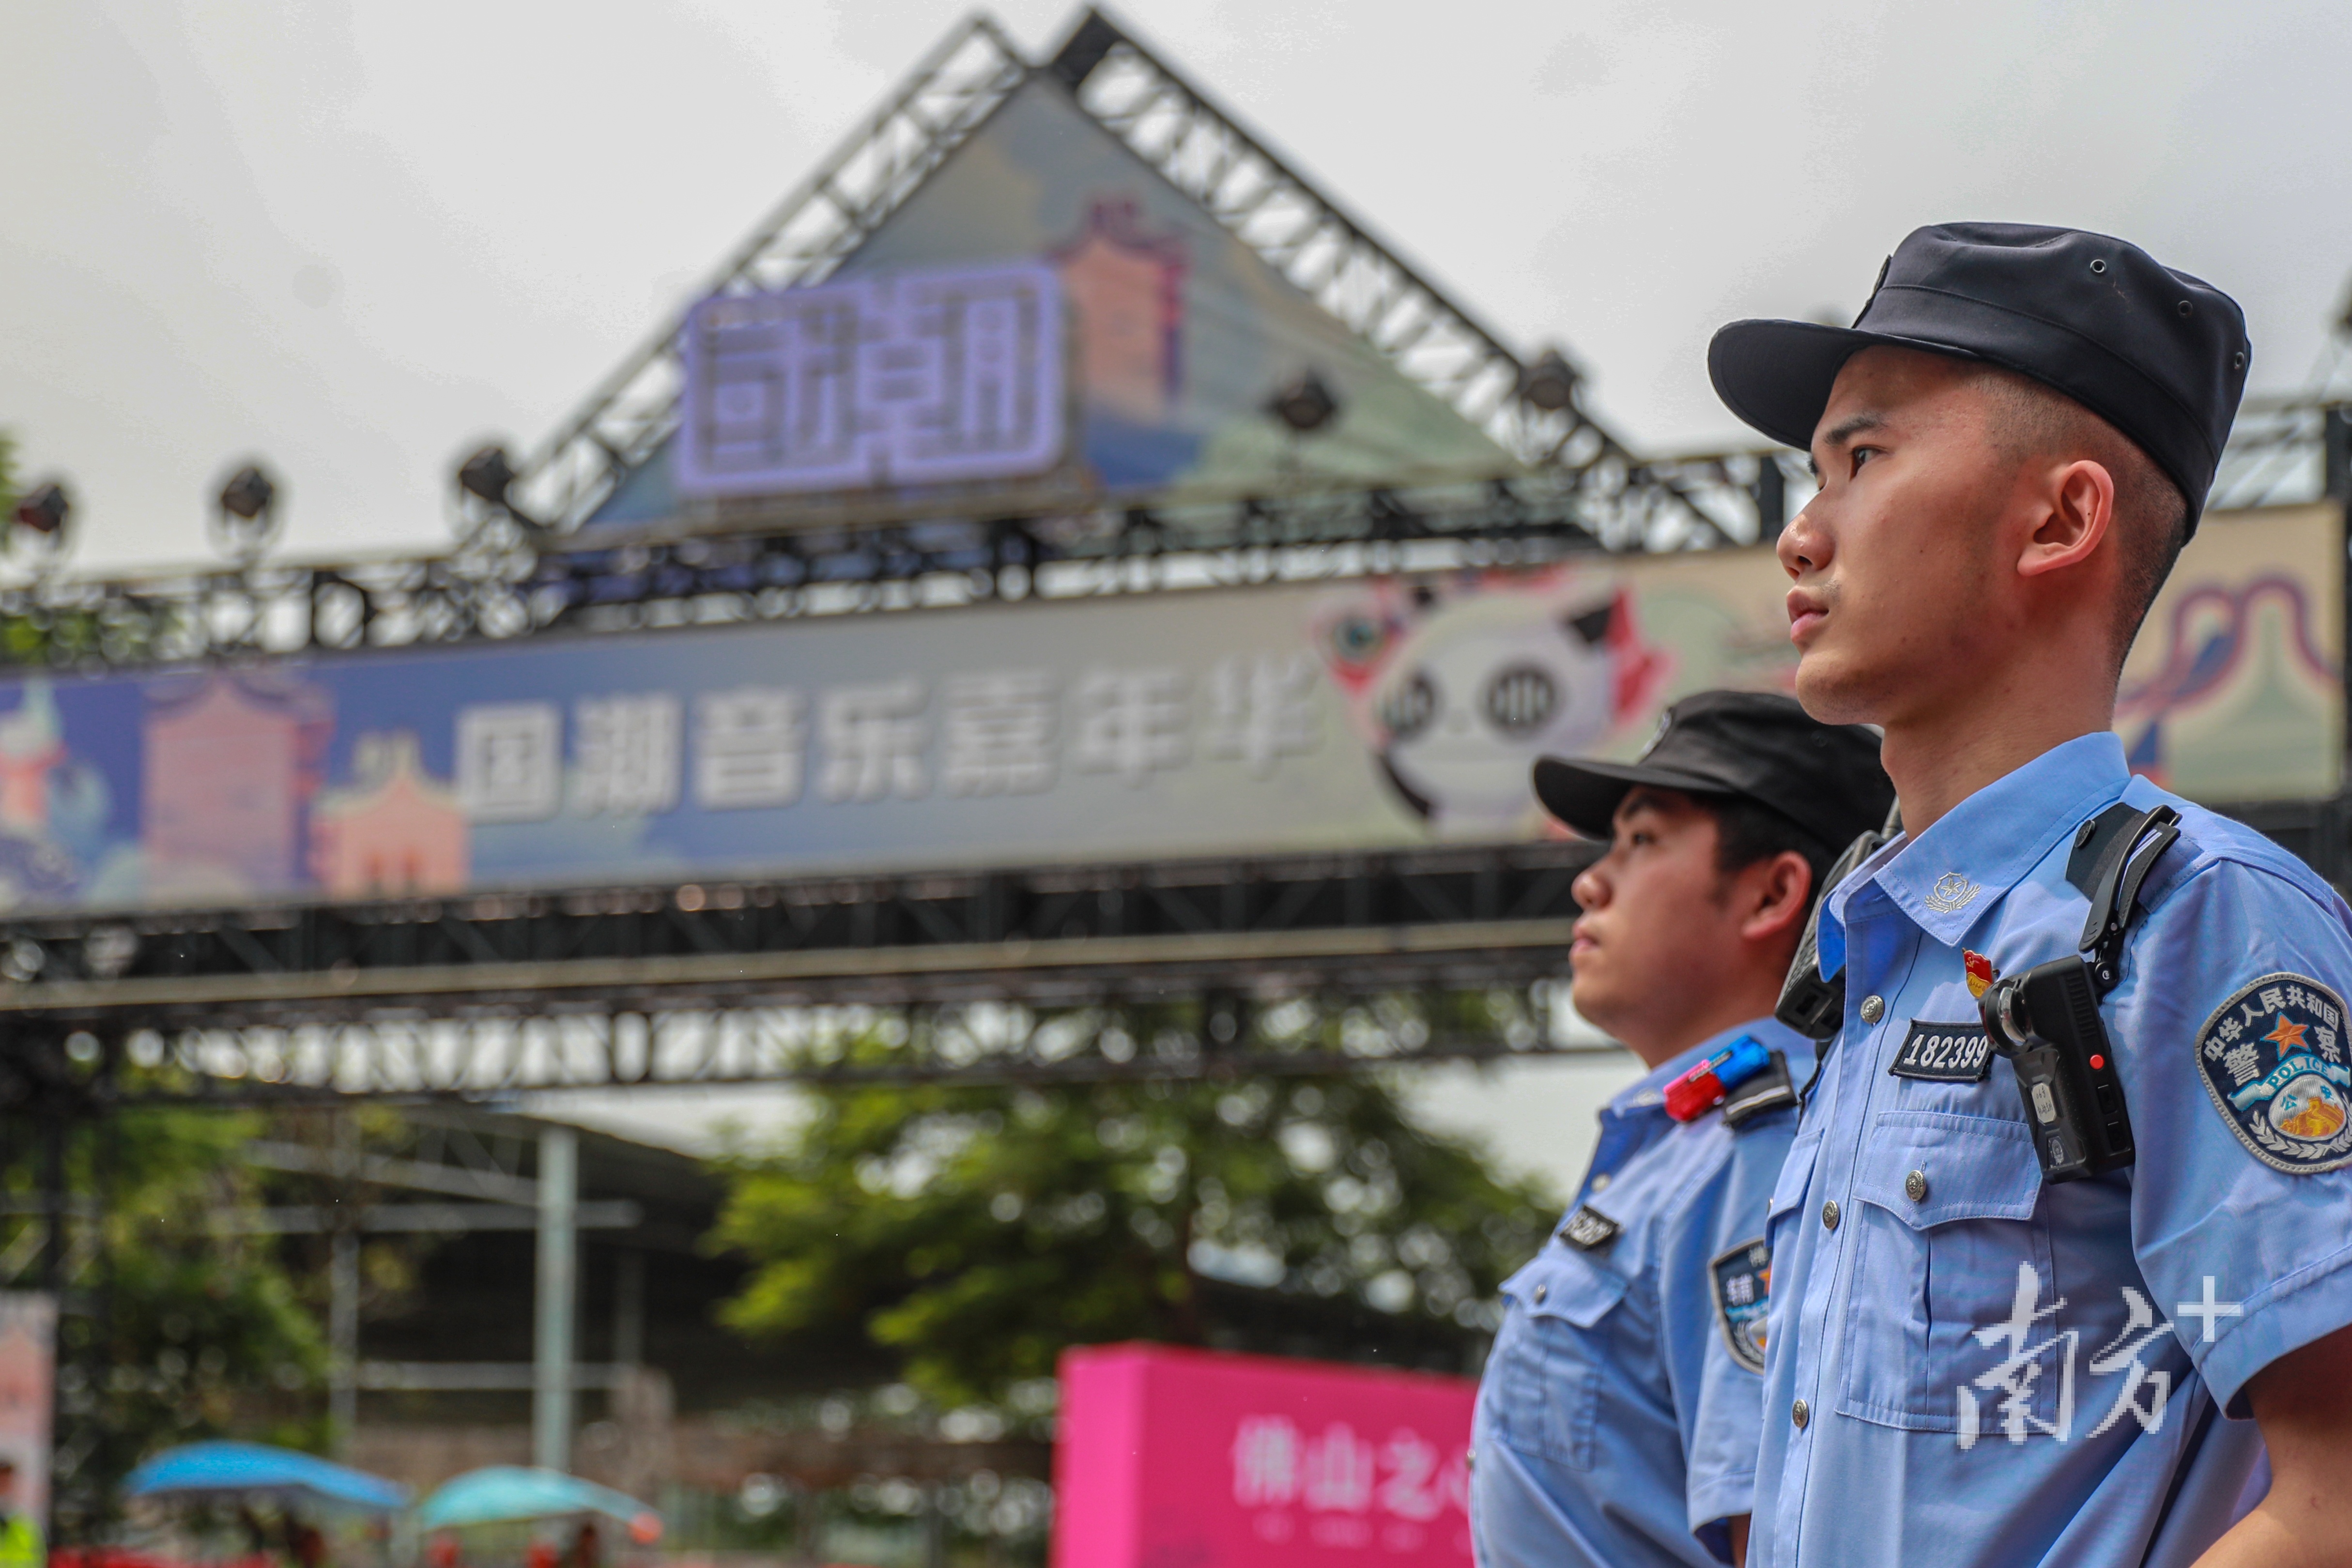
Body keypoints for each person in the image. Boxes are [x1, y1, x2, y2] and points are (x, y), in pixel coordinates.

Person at [1708, 222, 2352, 1566]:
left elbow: (2337, 1493)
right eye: (1809, 472)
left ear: (2061, 517)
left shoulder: (2195, 918)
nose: (1799, 534)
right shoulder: (1852, 976)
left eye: (1862, 460)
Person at [1471, 690, 1894, 1568]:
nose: (1591, 878)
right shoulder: (1693, 1143)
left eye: (1643, 840)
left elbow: (1778, 1538)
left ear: (1772, 893)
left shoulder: (1765, 1151)